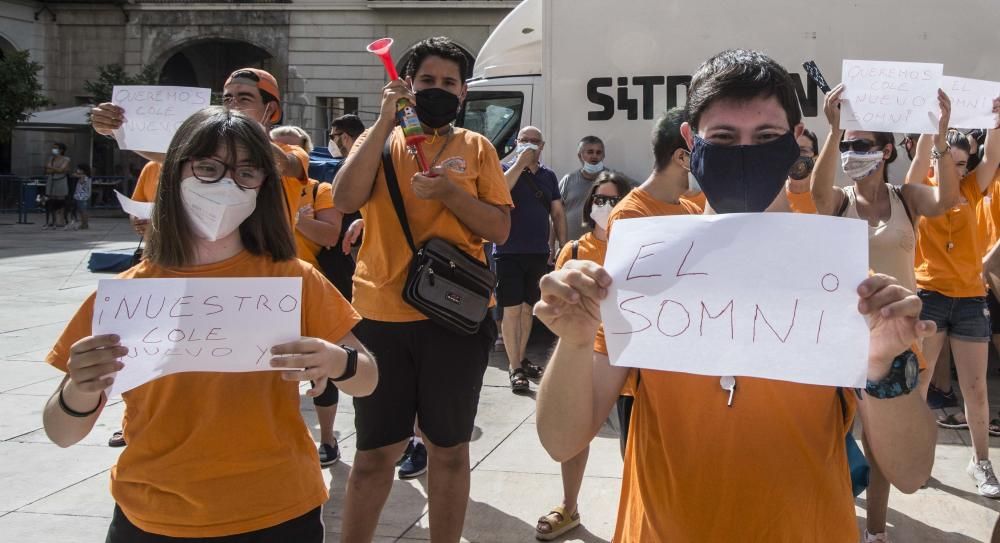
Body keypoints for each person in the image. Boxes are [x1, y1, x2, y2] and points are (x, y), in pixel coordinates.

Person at [534, 49, 937, 542]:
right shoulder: (640, 271)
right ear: (691, 140)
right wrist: (574, 343)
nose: (744, 152)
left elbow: (912, 471)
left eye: (765, 137)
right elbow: (560, 439)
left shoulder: (845, 281)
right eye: (723, 137)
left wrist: (884, 367)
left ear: (794, 142)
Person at [41, 107, 377, 541]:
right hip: (151, 514)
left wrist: (336, 361)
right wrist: (79, 389)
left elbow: (366, 379)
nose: (226, 183)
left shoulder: (293, 278)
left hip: (278, 509)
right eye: (207, 167)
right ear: (175, 172)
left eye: (246, 171)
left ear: (263, 184)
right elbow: (61, 431)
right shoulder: (128, 294)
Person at [333, 36, 512, 542]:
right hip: (382, 317)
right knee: (374, 455)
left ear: (463, 92)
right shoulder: (381, 141)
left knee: (449, 450)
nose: (438, 90)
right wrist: (383, 120)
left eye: (449, 83)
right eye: (427, 81)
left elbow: (498, 229)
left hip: (455, 317)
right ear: (407, 85)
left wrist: (450, 192)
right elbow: (346, 197)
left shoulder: (476, 148)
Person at [811, 84, 958, 542]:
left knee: (882, 442)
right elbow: (816, 194)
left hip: (896, 337)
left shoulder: (906, 198)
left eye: (862, 145)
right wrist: (833, 131)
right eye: (849, 145)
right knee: (833, 433)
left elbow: (946, 201)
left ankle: (874, 531)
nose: (854, 152)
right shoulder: (839, 200)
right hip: (840, 337)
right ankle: (833, 515)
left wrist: (941, 135)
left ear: (886, 151)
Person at [906, 104, 1000, 498]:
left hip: (969, 297)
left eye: (964, 163)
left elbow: (993, 156)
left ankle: (981, 462)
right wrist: (932, 129)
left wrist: (995, 121)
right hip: (929, 295)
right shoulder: (920, 190)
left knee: (976, 388)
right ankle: (916, 458)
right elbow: (916, 166)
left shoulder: (972, 188)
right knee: (922, 383)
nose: (958, 169)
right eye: (952, 160)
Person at [91, 68, 310, 236]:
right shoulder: (208, 149)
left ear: (270, 109)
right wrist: (116, 130)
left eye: (244, 98)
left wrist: (241, 132)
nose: (232, 105)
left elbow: (285, 165)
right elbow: (174, 155)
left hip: (268, 265)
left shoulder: (292, 152)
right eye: (227, 98)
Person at [535, 170, 632, 541]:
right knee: (574, 440)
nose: (604, 207)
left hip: (628, 360)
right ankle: (568, 505)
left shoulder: (640, 248)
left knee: (630, 443)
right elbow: (560, 307)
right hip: (590, 352)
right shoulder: (573, 251)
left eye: (613, 200)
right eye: (599, 200)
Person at [497, 126, 566, 393]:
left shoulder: (548, 176)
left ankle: (520, 359)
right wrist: (520, 164)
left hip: (537, 251)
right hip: (507, 251)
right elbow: (499, 191)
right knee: (511, 310)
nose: (529, 145)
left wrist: (561, 244)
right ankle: (515, 368)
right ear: (516, 143)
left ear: (543, 146)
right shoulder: (504, 168)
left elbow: (557, 213)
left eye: (534, 142)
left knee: (528, 309)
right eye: (524, 141)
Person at [560, 136, 609, 240]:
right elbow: (556, 214)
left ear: (603, 156)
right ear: (580, 155)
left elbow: (638, 193)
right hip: (571, 247)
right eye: (590, 152)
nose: (594, 156)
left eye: (598, 152)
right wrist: (552, 244)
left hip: (601, 247)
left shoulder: (613, 179)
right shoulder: (568, 180)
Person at [310, 114, 365, 183]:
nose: (331, 141)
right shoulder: (370, 156)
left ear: (345, 137)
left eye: (332, 137)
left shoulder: (349, 166)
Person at [43, 142, 71, 229]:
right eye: (53, 148)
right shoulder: (51, 158)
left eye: (56, 148)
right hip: (51, 181)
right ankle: (52, 220)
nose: (54, 150)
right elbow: (47, 170)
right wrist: (55, 169)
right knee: (51, 200)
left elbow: (62, 170)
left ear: (61, 150)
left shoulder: (66, 159)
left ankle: (61, 220)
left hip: (61, 181)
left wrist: (52, 168)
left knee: (61, 200)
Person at [68, 164, 92, 230]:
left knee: (83, 211)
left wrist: (77, 175)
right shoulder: (86, 177)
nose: (77, 170)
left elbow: (80, 180)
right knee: (82, 210)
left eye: (79, 169)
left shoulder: (84, 176)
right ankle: (84, 223)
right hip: (81, 196)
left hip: (82, 196)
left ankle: (84, 224)